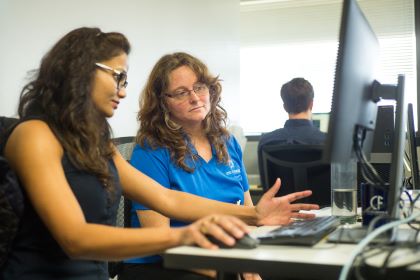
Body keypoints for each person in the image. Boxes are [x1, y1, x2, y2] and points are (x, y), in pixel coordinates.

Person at [0, 28, 318, 280]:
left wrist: (255, 215)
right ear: (80, 71)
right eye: (117, 77)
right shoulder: (34, 136)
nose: (123, 90)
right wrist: (184, 237)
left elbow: (166, 199)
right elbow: (75, 238)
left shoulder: (95, 143)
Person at [119, 53, 318, 280]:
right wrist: (228, 269)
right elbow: (159, 239)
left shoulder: (227, 142)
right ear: (163, 102)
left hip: (225, 254)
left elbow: (249, 215)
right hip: (166, 263)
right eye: (182, 92)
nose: (195, 98)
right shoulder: (151, 149)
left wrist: (247, 261)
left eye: (200, 87)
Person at [257, 77, 326, 177]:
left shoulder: (266, 141)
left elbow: (266, 187)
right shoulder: (330, 142)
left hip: (281, 193)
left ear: (285, 107)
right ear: (311, 104)